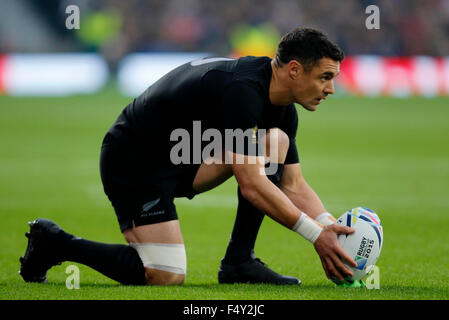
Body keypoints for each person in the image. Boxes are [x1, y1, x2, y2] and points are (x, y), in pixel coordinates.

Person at [20, 27, 358, 286]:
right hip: (134, 161)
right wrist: (316, 237)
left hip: (185, 157)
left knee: (275, 144)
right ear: (295, 70)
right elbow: (252, 184)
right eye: (325, 78)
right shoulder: (244, 92)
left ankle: (239, 262)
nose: (330, 89)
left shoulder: (281, 105)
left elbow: (292, 183)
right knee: (165, 274)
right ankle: (55, 243)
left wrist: (329, 226)